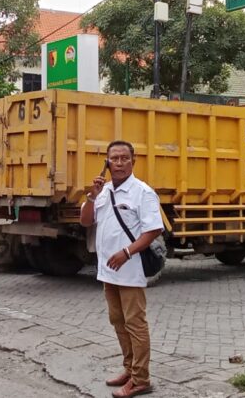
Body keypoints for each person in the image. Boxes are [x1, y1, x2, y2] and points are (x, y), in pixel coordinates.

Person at [80, 140, 163, 398]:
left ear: (133, 161)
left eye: (123, 158)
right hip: (108, 270)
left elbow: (153, 230)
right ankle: (129, 369)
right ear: (107, 162)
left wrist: (127, 252)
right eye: (113, 159)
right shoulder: (102, 192)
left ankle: (141, 379)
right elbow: (85, 221)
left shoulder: (143, 192)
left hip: (130, 269)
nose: (118, 163)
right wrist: (92, 198)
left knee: (135, 323)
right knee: (117, 320)